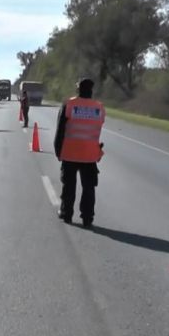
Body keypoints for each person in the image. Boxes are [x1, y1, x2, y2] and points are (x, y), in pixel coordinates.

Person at [54, 78, 104, 228]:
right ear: (91, 91)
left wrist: (58, 149)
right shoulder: (99, 108)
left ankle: (66, 213)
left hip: (70, 153)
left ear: (78, 90)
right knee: (89, 188)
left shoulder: (69, 104)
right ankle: (88, 218)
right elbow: (97, 128)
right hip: (90, 155)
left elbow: (60, 130)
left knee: (69, 185)